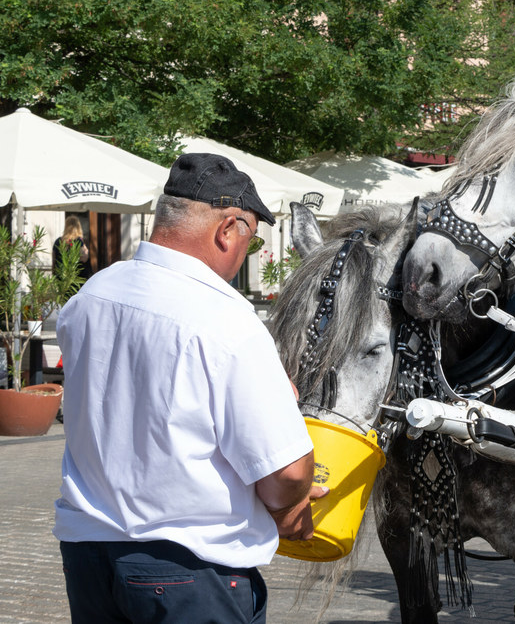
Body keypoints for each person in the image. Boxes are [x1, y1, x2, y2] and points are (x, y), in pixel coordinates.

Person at [54, 153, 326, 623]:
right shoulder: (225, 318)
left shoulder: (91, 294)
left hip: (89, 554)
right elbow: (286, 471)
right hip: (188, 569)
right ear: (228, 229)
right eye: (253, 241)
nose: (247, 253)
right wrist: (289, 511)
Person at [52, 215, 92, 279]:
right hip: (76, 278)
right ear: (78, 227)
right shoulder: (78, 241)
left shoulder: (58, 241)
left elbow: (54, 261)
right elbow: (84, 258)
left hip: (61, 277)